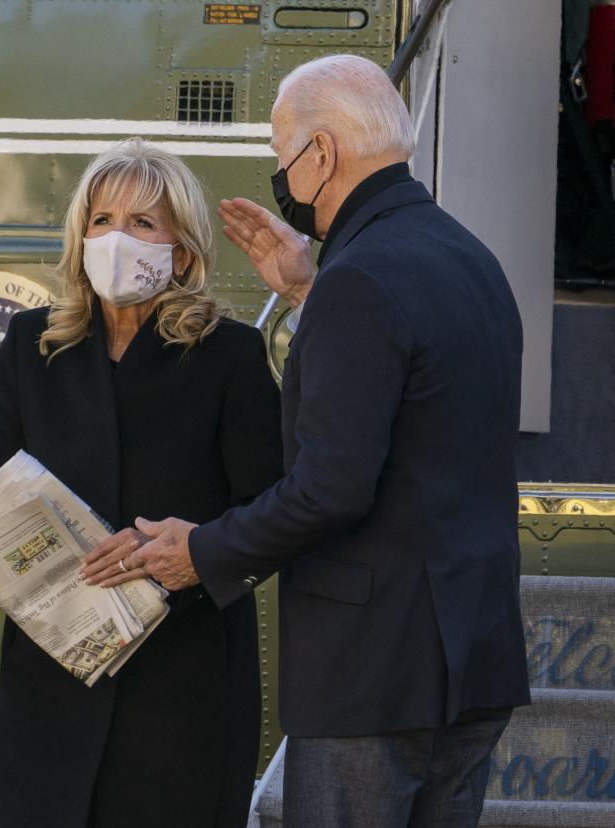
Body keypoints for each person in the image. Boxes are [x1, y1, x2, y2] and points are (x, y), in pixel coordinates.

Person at [106, 55, 532, 826]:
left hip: (374, 674)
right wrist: (305, 290)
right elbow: (422, 431)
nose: (280, 172)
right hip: (476, 661)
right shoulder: (473, 261)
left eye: (281, 154)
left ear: (323, 155)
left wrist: (200, 552)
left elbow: (332, 487)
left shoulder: (361, 278)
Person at [0, 139, 283, 827]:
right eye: (101, 221)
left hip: (182, 700)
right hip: (50, 703)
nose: (117, 239)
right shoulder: (34, 345)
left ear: (180, 251)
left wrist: (200, 552)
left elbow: (272, 511)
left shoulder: (231, 357)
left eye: (142, 224)